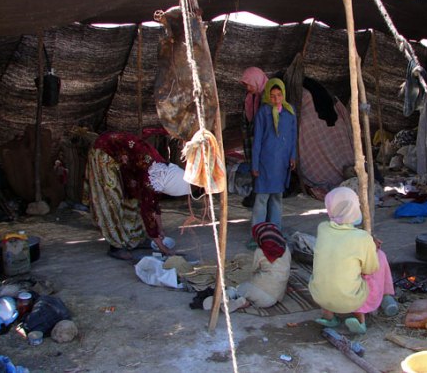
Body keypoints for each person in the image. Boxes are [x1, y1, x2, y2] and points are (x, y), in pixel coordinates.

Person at [84, 131, 192, 260]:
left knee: (132, 199)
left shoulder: (162, 173)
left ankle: (135, 238)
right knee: (112, 199)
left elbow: (155, 205)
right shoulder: (150, 180)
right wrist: (163, 248)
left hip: (125, 161)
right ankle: (116, 245)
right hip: (104, 151)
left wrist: (161, 230)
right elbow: (148, 214)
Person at [308, 187, 397, 335]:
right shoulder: (362, 238)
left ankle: (329, 317)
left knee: (330, 273)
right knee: (375, 264)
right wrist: (371, 248)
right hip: (349, 299)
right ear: (354, 209)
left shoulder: (322, 228)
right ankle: (360, 320)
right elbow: (370, 269)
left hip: (319, 295)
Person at [205, 222, 291, 312]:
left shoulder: (260, 252)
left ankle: (228, 296)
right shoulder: (286, 249)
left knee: (239, 288)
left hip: (258, 290)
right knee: (253, 298)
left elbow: (253, 269)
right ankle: (243, 302)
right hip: (274, 298)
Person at [250, 78, 297, 230]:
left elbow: (293, 136)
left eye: (279, 95)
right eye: (272, 95)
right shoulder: (263, 113)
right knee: (262, 197)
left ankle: (275, 230)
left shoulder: (290, 112)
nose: (276, 99)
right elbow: (257, 140)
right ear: (267, 96)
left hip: (282, 162)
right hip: (265, 162)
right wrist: (255, 164)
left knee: (277, 197)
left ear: (283, 95)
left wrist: (293, 156)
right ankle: (258, 232)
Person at [239, 67, 269, 208]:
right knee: (254, 167)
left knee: (263, 166)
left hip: (264, 140)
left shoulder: (268, 96)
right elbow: (246, 117)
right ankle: (256, 191)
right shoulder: (250, 97)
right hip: (252, 139)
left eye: (249, 83)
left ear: (257, 80)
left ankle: (261, 194)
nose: (248, 87)